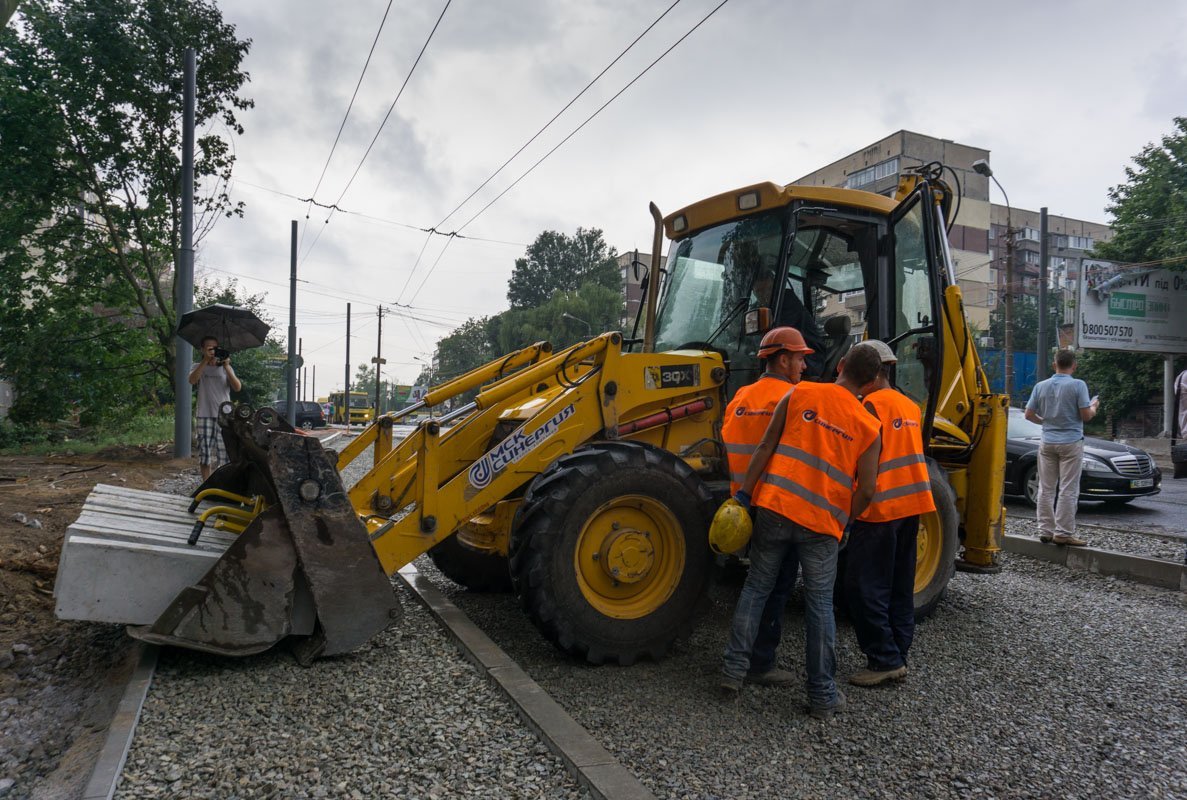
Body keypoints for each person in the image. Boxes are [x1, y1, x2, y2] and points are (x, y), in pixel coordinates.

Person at [722, 343, 883, 719]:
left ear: (840, 365)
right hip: (821, 525)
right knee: (819, 605)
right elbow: (869, 489)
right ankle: (822, 695)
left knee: (757, 587)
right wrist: (846, 522)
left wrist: (745, 495)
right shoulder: (868, 424)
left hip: (777, 508)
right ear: (872, 381)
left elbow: (766, 445)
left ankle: (733, 670)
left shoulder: (800, 392)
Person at [719, 327, 814, 692]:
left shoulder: (741, 396)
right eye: (800, 358)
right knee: (776, 588)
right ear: (782, 359)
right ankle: (760, 663)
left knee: (754, 586)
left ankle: (736, 664)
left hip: (744, 507)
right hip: (777, 506)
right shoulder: (793, 397)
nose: (804, 366)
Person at [844, 340, 935, 687]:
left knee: (863, 586)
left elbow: (857, 461)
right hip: (912, 506)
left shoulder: (868, 407)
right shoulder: (909, 405)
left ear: (867, 372)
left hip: (879, 509)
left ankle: (883, 658)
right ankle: (898, 653)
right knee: (899, 586)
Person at [1024, 349, 1099, 546]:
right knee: (1068, 489)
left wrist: (1046, 423)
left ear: (1054, 364)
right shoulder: (1078, 385)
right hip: (1071, 442)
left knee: (1046, 488)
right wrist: (1094, 407)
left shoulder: (1041, 386)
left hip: (1047, 441)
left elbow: (1028, 414)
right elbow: (1085, 415)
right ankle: (1063, 533)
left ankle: (1045, 531)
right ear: (1074, 365)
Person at [188, 336, 242, 481]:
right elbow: (192, 380)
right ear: (202, 349)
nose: (212, 351)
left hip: (225, 416)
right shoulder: (197, 366)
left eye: (215, 348)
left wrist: (226, 367)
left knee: (224, 453)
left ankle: (222, 484)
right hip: (204, 414)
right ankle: (206, 484)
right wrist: (205, 361)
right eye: (209, 348)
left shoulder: (226, 367)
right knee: (204, 454)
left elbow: (237, 387)